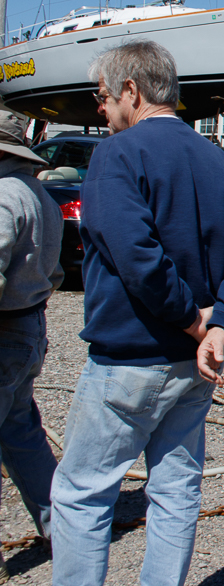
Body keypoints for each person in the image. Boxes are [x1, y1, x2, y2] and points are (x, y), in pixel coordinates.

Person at [50, 41, 224, 586]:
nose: (100, 110)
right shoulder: (222, 163)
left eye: (102, 97)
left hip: (128, 361)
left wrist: (200, 323)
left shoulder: (117, 155)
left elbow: (138, 259)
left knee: (81, 495)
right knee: (175, 492)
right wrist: (221, 328)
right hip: (195, 367)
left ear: (132, 90)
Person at [0, 113, 64, 577]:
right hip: (28, 327)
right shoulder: (39, 195)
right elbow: (56, 275)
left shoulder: (3, 196)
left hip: (5, 330)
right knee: (20, 432)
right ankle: (62, 530)